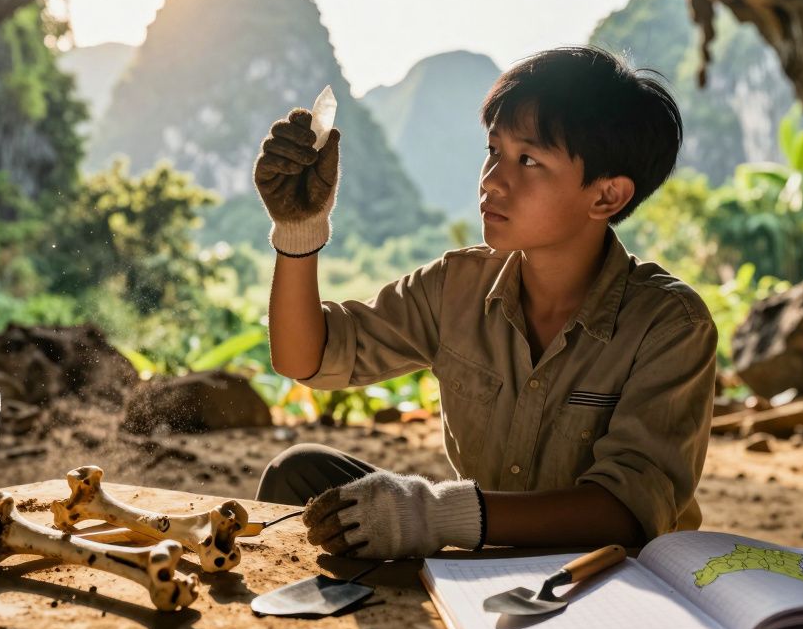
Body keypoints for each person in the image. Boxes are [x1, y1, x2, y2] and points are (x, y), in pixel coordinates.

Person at [251, 46, 717, 559]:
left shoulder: (670, 324)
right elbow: (306, 358)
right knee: (298, 473)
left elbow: (627, 514)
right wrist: (299, 230)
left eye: (528, 160)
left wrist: (434, 515)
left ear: (606, 196)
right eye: (494, 150)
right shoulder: (459, 286)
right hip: (483, 552)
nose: (492, 180)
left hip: (607, 577)